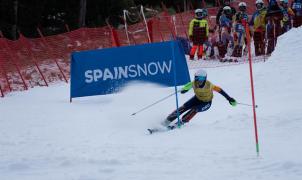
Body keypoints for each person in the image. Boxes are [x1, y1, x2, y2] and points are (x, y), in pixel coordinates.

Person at [161, 69, 237, 129]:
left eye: (201, 78)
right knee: (183, 107)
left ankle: (181, 122)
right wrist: (184, 90)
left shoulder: (209, 85)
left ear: (205, 78)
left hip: (206, 103)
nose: (199, 80)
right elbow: (186, 88)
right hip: (197, 99)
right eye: (197, 78)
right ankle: (167, 120)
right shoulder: (193, 83)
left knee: (195, 109)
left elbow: (220, 90)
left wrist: (229, 98)